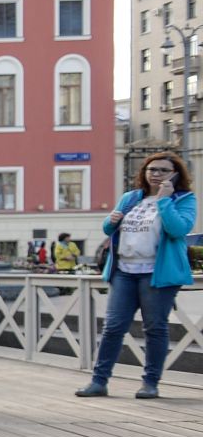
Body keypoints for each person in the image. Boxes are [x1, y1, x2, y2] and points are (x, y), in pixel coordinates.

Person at [77, 151, 197, 400]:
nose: (156, 174)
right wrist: (110, 222)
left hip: (157, 273)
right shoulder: (131, 198)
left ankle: (150, 383)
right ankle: (99, 381)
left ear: (175, 175)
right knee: (113, 327)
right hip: (124, 272)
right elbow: (110, 229)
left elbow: (178, 230)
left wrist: (164, 201)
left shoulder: (184, 199)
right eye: (151, 169)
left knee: (154, 328)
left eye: (163, 170)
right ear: (144, 172)